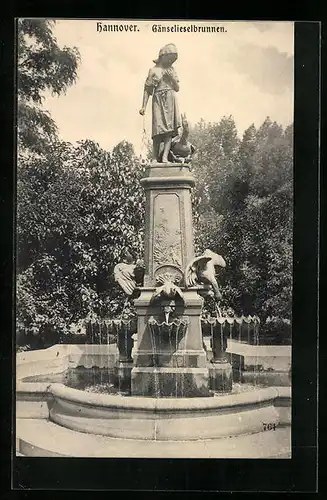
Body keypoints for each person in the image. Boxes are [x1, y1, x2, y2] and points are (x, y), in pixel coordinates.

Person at [139, 43, 181, 163]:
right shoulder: (153, 70)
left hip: (170, 98)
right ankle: (154, 158)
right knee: (157, 130)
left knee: (169, 130)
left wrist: (171, 78)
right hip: (158, 99)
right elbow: (147, 89)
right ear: (163, 56)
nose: (170, 61)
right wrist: (143, 107)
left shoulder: (171, 70)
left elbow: (177, 88)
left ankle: (164, 157)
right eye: (169, 57)